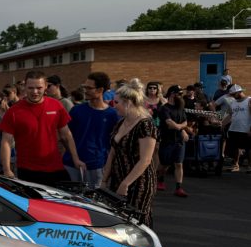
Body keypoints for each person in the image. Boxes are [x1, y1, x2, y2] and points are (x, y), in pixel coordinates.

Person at [0, 70, 85, 186]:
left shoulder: (56, 105)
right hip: (28, 171)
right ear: (24, 87)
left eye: (39, 88)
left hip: (55, 168)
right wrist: (6, 169)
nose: (35, 92)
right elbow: (6, 142)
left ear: (45, 86)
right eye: (30, 88)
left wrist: (76, 159)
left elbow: (66, 135)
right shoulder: (13, 111)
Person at [101, 78, 158, 226]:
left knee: (135, 223)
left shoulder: (145, 125)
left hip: (139, 182)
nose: (114, 105)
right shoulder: (121, 123)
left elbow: (146, 160)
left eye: (117, 102)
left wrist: (126, 183)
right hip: (118, 178)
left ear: (128, 102)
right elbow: (112, 153)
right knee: (118, 222)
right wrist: (104, 180)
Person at [63, 72, 120, 187]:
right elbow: (65, 137)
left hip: (97, 166)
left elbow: (114, 143)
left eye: (89, 88)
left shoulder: (113, 114)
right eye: (85, 87)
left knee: (94, 197)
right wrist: (74, 158)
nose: (85, 90)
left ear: (100, 90)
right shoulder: (76, 110)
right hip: (71, 164)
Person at [157, 85, 189, 197]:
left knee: (179, 164)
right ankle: (160, 179)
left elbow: (185, 122)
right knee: (165, 164)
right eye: (179, 94)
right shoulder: (164, 108)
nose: (181, 96)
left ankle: (178, 188)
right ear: (172, 94)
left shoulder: (180, 107)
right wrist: (181, 128)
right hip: (167, 140)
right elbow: (169, 123)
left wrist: (180, 128)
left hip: (179, 141)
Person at [223, 85, 250, 172]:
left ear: (239, 92)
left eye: (234, 94)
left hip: (245, 129)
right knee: (235, 148)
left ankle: (250, 166)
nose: (233, 96)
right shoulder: (233, 103)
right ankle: (235, 165)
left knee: (249, 148)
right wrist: (222, 124)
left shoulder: (249, 100)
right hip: (234, 129)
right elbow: (230, 115)